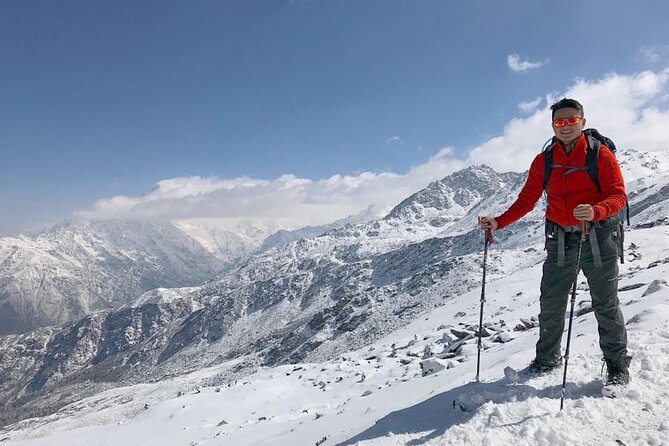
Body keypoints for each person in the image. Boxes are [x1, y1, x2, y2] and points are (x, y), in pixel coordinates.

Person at [478, 98, 631, 389]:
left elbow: (617, 195)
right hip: (560, 237)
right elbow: (527, 200)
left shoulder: (600, 156)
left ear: (582, 122)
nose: (565, 126)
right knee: (551, 301)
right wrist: (499, 222)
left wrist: (595, 210)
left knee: (605, 303)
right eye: (559, 122)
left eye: (571, 120)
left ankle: (617, 366)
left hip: (598, 236)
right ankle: (547, 359)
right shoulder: (544, 160)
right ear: (553, 125)